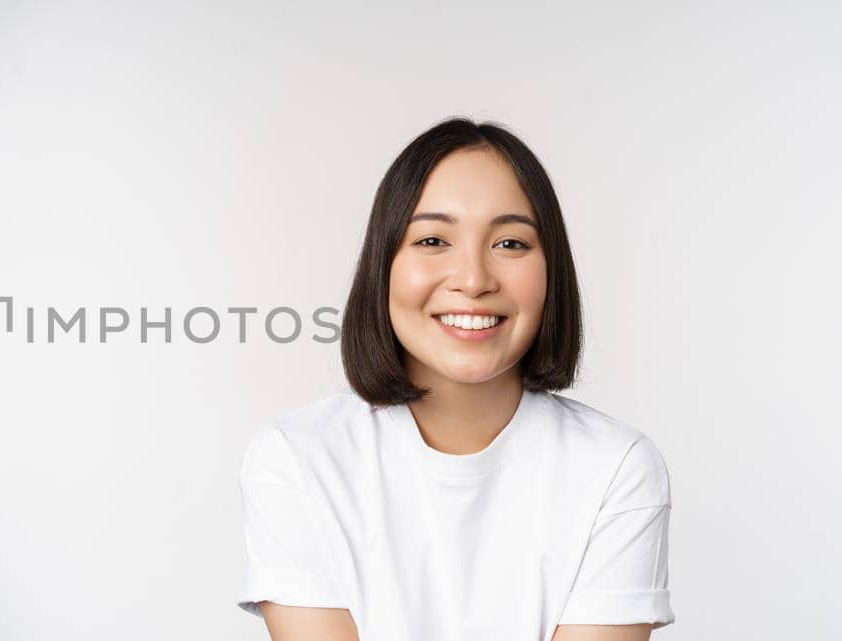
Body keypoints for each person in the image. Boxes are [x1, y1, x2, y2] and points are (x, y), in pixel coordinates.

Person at [236, 118, 674, 641]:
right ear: (384, 266)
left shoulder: (616, 468)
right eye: (432, 239)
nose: (473, 279)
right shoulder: (297, 458)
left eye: (511, 244)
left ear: (551, 271)